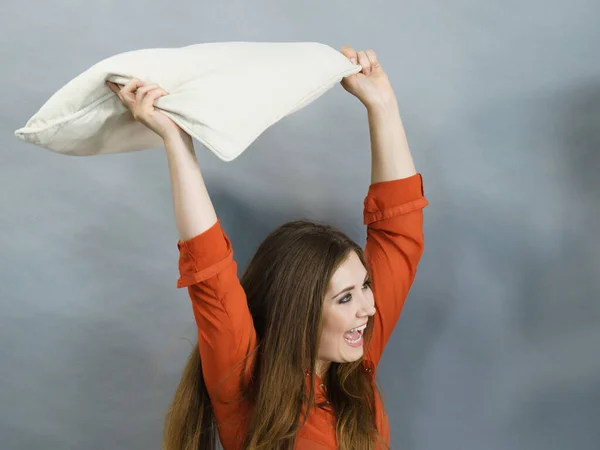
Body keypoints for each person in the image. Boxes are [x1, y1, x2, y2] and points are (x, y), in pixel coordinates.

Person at [107, 45, 428, 450]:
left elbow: (398, 234)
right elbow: (211, 272)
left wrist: (382, 105)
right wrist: (176, 141)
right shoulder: (244, 386)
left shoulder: (355, 364)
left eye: (364, 286)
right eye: (346, 297)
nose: (369, 307)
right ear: (301, 309)